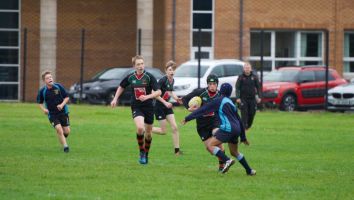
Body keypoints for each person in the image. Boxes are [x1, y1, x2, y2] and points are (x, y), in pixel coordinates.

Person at [182, 83, 256, 175]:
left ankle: (227, 160)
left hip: (227, 128)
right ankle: (249, 171)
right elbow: (239, 120)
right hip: (236, 129)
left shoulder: (218, 101)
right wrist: (243, 137)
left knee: (210, 145)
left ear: (221, 90)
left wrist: (187, 118)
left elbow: (203, 110)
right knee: (234, 152)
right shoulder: (231, 103)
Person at [111, 55, 161, 165]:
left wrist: (147, 97)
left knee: (148, 134)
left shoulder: (149, 77)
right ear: (134, 66)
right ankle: (142, 152)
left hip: (148, 107)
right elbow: (121, 86)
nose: (140, 66)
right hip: (136, 106)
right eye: (138, 64)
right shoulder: (131, 77)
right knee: (139, 128)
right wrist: (115, 99)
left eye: (142, 63)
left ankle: (146, 154)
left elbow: (158, 92)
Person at [181, 74, 225, 171]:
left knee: (216, 136)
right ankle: (224, 160)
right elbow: (184, 99)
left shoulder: (220, 95)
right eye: (210, 84)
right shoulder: (200, 92)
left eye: (214, 84)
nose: (212, 86)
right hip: (202, 125)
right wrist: (189, 109)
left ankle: (223, 164)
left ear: (217, 85)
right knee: (210, 149)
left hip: (215, 121)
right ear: (208, 84)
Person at [152, 60, 183, 155]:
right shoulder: (162, 80)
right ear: (166, 71)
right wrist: (165, 102)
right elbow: (154, 93)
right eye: (170, 70)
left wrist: (177, 99)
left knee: (175, 127)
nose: (172, 72)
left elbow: (170, 91)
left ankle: (177, 151)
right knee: (163, 131)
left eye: (173, 70)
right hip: (159, 106)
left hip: (167, 106)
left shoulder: (172, 80)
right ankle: (147, 128)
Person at [37, 70, 71, 153]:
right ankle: (65, 147)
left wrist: (62, 105)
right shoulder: (42, 91)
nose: (50, 79)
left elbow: (67, 97)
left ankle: (62, 137)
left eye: (50, 77)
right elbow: (39, 103)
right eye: (47, 78)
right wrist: (44, 109)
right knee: (59, 129)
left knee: (66, 131)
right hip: (52, 114)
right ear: (44, 81)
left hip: (63, 112)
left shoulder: (58, 87)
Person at [235, 62, 261, 131]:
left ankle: (248, 126)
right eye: (246, 68)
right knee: (244, 114)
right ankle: (243, 128)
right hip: (243, 99)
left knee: (252, 113)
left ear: (251, 69)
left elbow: (258, 87)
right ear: (244, 69)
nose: (247, 69)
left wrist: (259, 97)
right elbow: (237, 88)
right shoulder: (241, 77)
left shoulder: (254, 77)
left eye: (248, 68)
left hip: (252, 99)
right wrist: (238, 97)